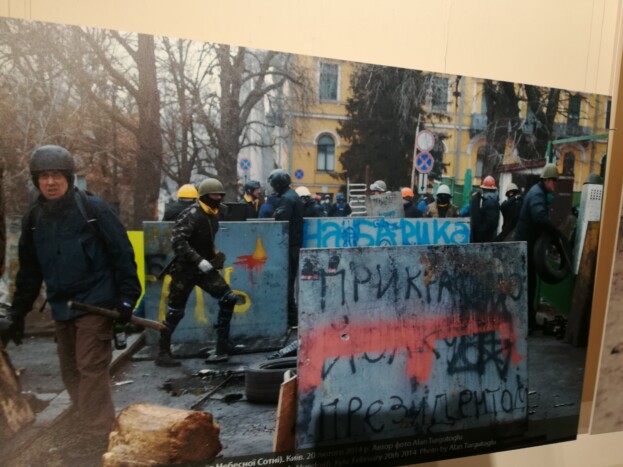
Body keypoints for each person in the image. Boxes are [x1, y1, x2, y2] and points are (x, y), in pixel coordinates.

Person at [5, 145, 141, 440]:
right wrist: (17, 313)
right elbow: (29, 272)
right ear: (36, 181)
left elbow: (122, 254)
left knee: (90, 366)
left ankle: (98, 433)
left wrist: (127, 298)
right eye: (43, 177)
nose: (50, 182)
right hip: (62, 306)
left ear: (68, 177)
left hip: (96, 302)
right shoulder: (34, 219)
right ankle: (86, 421)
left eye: (56, 175)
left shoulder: (93, 210)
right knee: (70, 370)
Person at [158, 177, 239, 366]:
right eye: (214, 195)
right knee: (175, 312)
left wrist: (214, 254)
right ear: (203, 196)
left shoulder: (214, 213)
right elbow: (178, 242)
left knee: (228, 298)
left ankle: (222, 345)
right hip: (184, 270)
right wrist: (198, 260)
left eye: (220, 195)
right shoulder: (191, 214)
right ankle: (163, 352)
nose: (218, 198)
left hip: (204, 269)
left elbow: (207, 238)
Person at [514, 163, 561, 331]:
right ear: (547, 180)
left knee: (528, 284)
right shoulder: (537, 194)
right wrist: (554, 232)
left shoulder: (539, 193)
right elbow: (539, 217)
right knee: (527, 285)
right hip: (525, 246)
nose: (555, 184)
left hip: (528, 245)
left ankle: (528, 321)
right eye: (554, 181)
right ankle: (525, 323)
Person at [268, 169, 304, 327]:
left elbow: (281, 222)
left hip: (289, 245)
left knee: (287, 282)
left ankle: (291, 318)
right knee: (289, 281)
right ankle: (292, 318)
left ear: (277, 184)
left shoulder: (287, 199)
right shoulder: (292, 195)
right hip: (294, 244)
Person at [470, 175, 500, 243]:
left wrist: (480, 231)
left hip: (483, 237)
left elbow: (489, 222)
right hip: (489, 236)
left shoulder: (489, 201)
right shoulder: (494, 201)